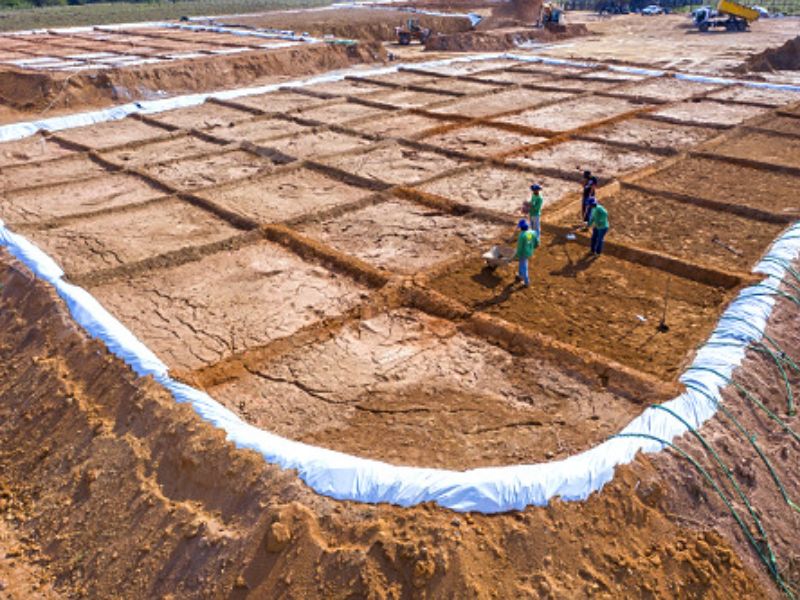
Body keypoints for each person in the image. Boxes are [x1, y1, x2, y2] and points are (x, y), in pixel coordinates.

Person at [513, 219, 539, 287]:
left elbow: (520, 247)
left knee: (524, 266)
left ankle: (526, 282)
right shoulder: (532, 232)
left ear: (521, 227)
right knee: (522, 263)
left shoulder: (522, 235)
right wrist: (534, 246)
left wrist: (516, 255)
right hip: (529, 251)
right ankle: (520, 275)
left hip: (523, 253)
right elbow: (537, 242)